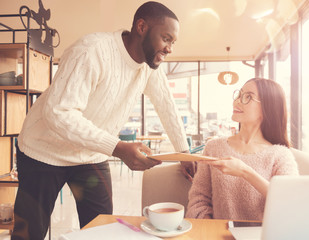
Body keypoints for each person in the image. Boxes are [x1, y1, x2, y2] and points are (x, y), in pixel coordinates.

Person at [11, 2, 193, 239]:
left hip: (90, 155)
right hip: (42, 151)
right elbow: (59, 113)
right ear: (141, 26)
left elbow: (166, 106)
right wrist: (117, 147)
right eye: (166, 38)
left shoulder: (149, 67)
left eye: (173, 42)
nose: (170, 49)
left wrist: (184, 153)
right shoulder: (92, 51)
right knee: (29, 234)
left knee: (102, 231)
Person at [186, 78, 299, 221]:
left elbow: (290, 203)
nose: (237, 101)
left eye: (248, 97)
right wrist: (209, 231)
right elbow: (198, 200)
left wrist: (246, 172)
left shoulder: (280, 155)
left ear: (267, 108)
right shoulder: (214, 147)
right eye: (239, 95)